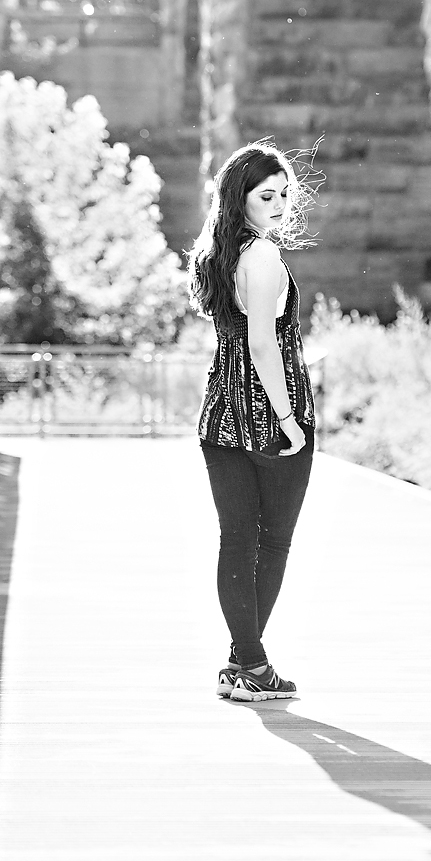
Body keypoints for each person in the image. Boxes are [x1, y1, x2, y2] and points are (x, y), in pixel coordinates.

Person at [186, 141, 318, 703]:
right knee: (273, 543)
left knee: (238, 540)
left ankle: (245, 665)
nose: (281, 204)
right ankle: (251, 665)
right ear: (240, 200)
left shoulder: (221, 254)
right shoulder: (262, 257)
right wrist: (289, 418)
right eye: (268, 196)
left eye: (286, 194)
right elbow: (264, 344)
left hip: (222, 416)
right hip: (268, 414)